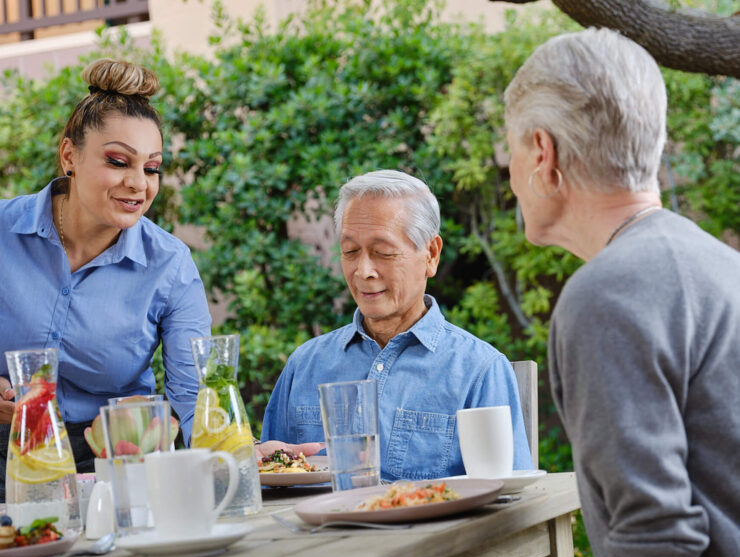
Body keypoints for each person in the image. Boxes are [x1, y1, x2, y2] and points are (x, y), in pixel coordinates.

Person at [504, 28, 740, 557]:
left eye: (508, 151)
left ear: (543, 153)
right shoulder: (720, 266)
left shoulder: (606, 295)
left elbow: (656, 554)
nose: (511, 175)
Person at [0, 59, 211, 498]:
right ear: (69, 155)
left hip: (114, 465)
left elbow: (195, 401)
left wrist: (235, 462)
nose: (139, 184)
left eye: (151, 168)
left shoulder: (170, 266)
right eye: (119, 161)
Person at [261, 169, 533, 480]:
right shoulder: (304, 365)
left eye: (383, 253)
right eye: (350, 251)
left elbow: (509, 504)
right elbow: (269, 484)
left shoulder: (478, 371)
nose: (363, 271)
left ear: (431, 255)